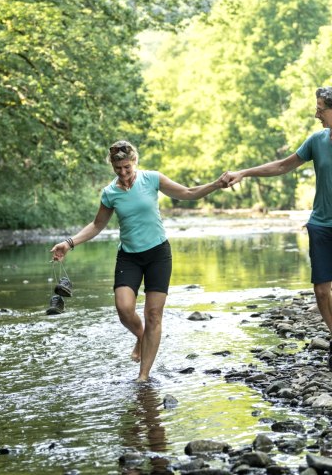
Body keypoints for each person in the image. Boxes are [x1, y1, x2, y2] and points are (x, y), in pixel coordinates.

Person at [50, 140, 228, 382]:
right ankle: (141, 336)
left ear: (134, 161)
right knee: (124, 308)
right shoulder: (109, 192)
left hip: (158, 254)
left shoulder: (152, 179)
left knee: (153, 314)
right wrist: (68, 244)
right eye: (117, 168)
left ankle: (143, 375)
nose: (123, 173)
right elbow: (97, 225)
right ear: (112, 166)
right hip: (129, 256)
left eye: (126, 167)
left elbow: (187, 193)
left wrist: (216, 184)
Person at [224, 86, 332, 368]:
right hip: (320, 224)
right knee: (321, 290)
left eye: (320, 108)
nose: (316, 114)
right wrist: (244, 173)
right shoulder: (317, 140)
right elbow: (283, 166)